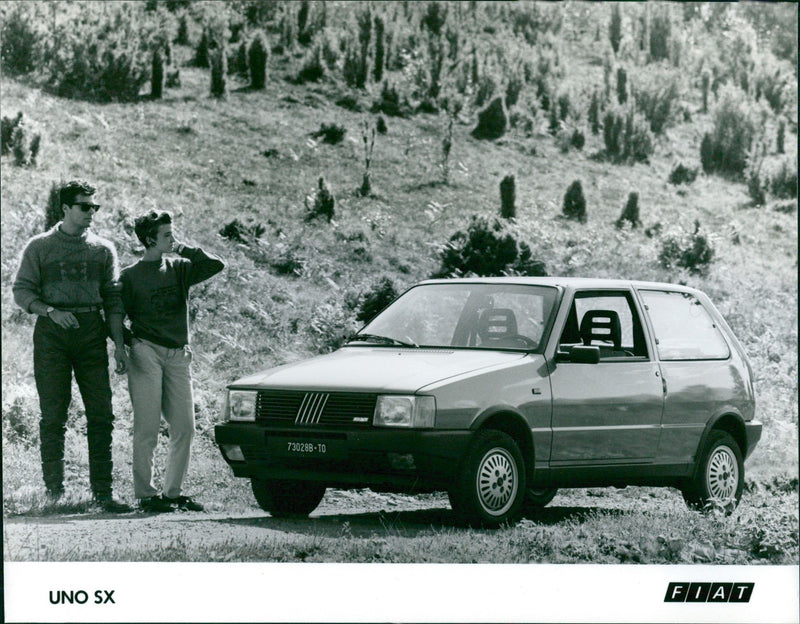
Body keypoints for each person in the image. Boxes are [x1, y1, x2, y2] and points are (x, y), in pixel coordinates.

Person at [12, 179, 132, 512]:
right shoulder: (39, 247)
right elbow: (22, 291)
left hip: (92, 334)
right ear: (65, 208)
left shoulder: (103, 250)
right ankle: (54, 491)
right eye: (84, 206)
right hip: (52, 335)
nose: (90, 212)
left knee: (102, 414)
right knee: (53, 414)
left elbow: (113, 299)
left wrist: (119, 345)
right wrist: (49, 311)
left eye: (94, 206)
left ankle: (103, 493)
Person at [115, 210, 224, 512]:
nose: (172, 238)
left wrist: (183, 248)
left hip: (178, 355)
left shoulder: (179, 267)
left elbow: (216, 265)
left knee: (185, 428)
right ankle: (146, 495)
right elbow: (112, 317)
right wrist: (128, 344)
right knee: (147, 427)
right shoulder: (130, 276)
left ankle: (172, 494)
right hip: (146, 353)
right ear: (150, 239)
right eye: (166, 235)